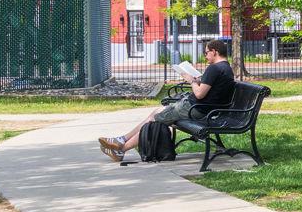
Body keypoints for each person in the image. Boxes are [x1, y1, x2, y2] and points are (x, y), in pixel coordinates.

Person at [100, 37, 236, 163]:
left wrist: (192, 81)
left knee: (155, 120)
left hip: (197, 109)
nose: (205, 56)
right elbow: (213, 90)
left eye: (206, 53)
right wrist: (199, 80)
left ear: (214, 51)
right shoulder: (226, 68)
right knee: (156, 112)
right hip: (206, 110)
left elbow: (200, 94)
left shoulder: (214, 68)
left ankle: (121, 148)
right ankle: (121, 140)